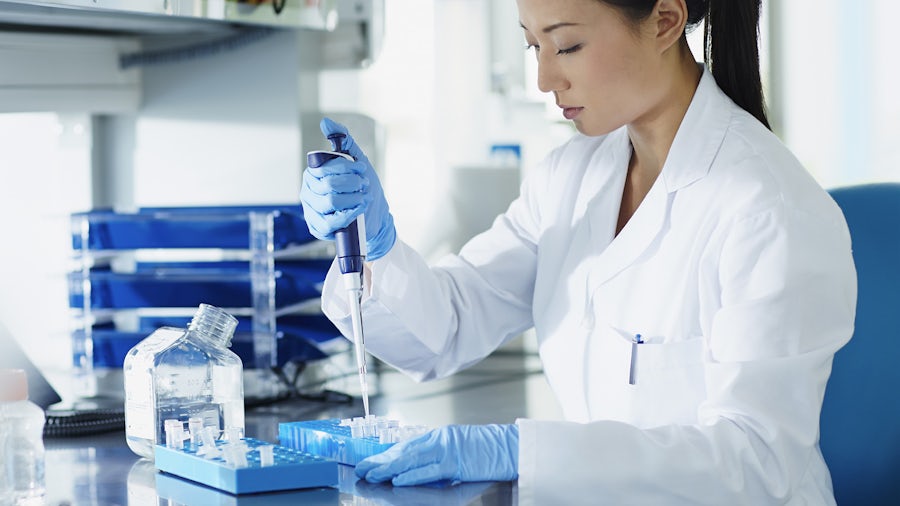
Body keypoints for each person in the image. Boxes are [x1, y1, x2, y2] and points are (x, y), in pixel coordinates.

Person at [299, 0, 857, 504]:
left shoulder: (767, 207)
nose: (544, 78)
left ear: (665, 20)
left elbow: (755, 463)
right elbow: (450, 325)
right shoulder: (570, 177)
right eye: (532, 46)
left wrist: (520, 452)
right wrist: (379, 248)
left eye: (567, 45)